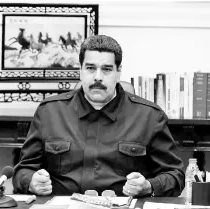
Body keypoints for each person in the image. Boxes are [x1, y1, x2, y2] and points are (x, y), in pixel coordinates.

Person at [12, 35, 184, 197]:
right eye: (90, 68)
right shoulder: (49, 112)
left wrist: (149, 186)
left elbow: (175, 175)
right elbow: (22, 170)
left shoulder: (149, 117)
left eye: (107, 69)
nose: (98, 77)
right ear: (80, 70)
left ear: (118, 72)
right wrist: (31, 182)